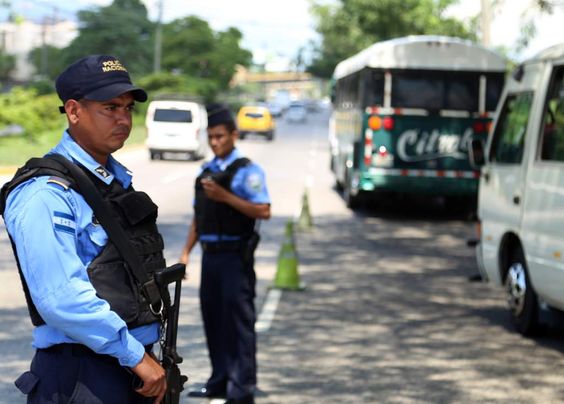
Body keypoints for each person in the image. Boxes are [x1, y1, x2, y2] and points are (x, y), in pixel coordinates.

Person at [0, 55, 168, 403]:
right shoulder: (45, 193)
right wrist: (135, 356)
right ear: (74, 111)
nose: (123, 119)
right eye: (110, 108)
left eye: (128, 108)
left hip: (128, 365)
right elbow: (60, 298)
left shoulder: (113, 181)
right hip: (84, 374)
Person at [180, 103, 271, 404]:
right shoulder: (205, 171)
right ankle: (219, 378)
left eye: (220, 136)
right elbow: (199, 216)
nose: (215, 142)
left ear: (234, 135)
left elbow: (263, 210)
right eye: (211, 137)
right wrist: (185, 253)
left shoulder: (248, 171)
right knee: (213, 319)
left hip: (236, 256)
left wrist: (226, 197)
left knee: (238, 323)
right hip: (211, 256)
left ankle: (241, 387)